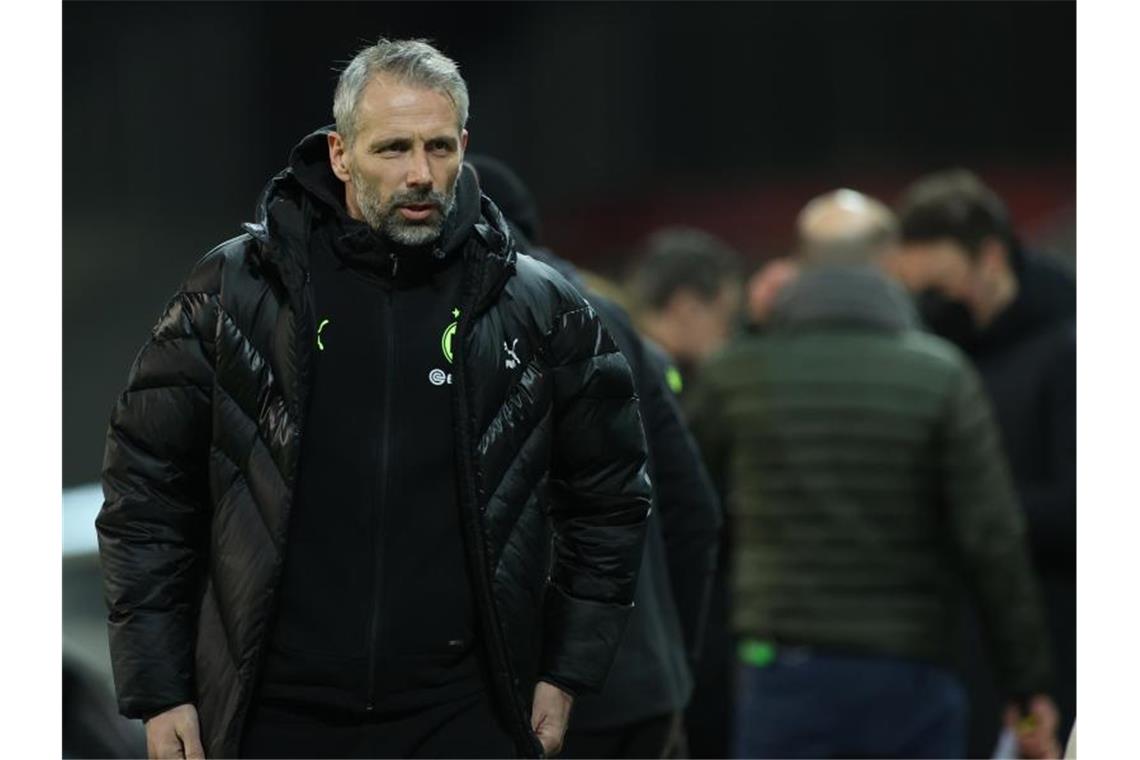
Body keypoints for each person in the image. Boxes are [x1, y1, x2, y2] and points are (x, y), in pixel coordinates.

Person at [95, 38, 652, 760]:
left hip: (463, 715)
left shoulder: (540, 308)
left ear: (464, 148)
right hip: (274, 716)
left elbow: (610, 498)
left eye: (439, 148)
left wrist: (567, 671)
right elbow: (146, 495)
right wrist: (160, 687)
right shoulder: (235, 291)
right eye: (393, 149)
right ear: (339, 154)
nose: (420, 174)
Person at [687, 189, 1058, 759]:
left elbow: (685, 513)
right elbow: (992, 540)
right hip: (911, 669)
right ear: (890, 263)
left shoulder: (737, 375)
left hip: (779, 666)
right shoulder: (942, 376)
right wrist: (1027, 683)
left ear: (801, 264)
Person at [467, 154, 723, 759]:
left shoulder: (482, 326)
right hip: (647, 693)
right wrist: (670, 665)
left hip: (544, 701)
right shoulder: (612, 318)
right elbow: (694, 509)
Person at [892, 169, 1075, 757]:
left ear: (991, 256)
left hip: (1056, 646)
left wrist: (965, 510)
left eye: (940, 288)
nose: (930, 308)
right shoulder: (939, 350)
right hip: (962, 651)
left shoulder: (1074, 346)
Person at [629, 227, 744, 396]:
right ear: (687, 309)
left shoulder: (625, 358)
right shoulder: (651, 384)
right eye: (725, 318)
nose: (728, 338)